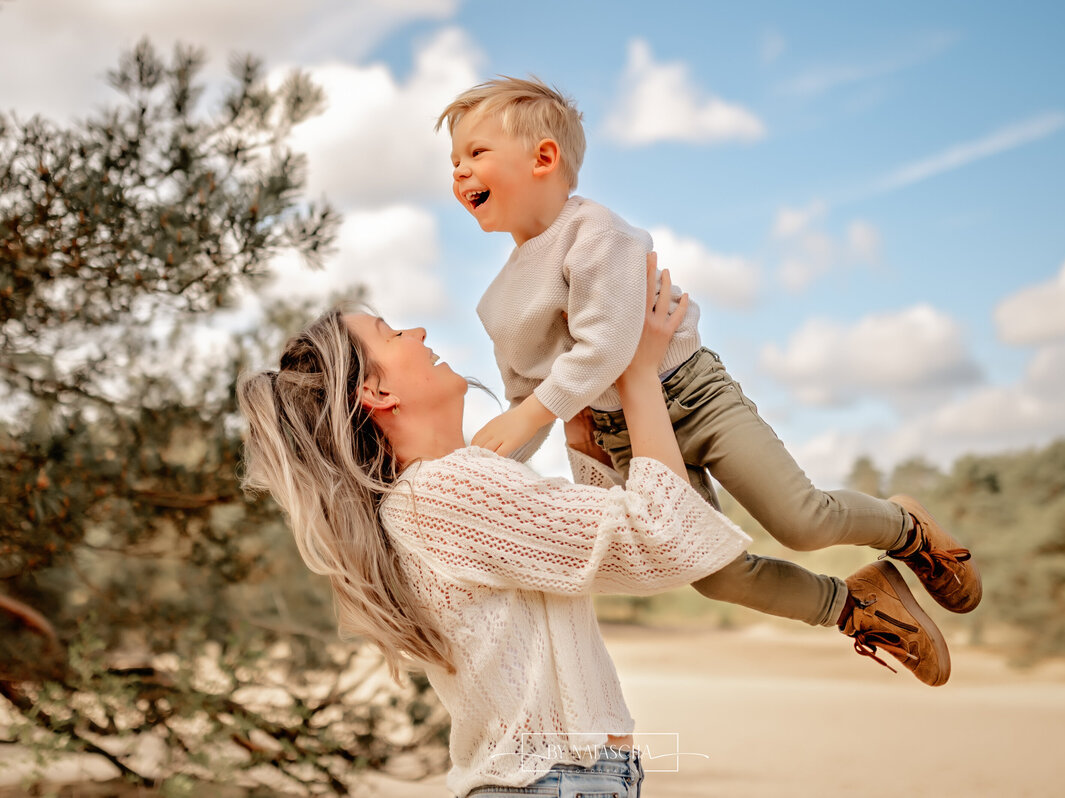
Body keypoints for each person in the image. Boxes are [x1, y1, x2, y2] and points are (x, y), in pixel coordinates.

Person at [237, 258, 953, 798]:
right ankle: (887, 556)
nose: (420, 331)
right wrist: (639, 375)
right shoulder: (447, 493)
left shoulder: (430, 498)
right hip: (557, 783)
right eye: (394, 333)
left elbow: (604, 547)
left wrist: (579, 420)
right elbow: (662, 541)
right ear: (377, 392)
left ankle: (862, 594)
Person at [436, 76, 981, 656]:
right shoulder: (496, 302)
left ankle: (905, 528)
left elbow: (611, 346)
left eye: (475, 153)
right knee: (710, 571)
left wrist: (531, 416)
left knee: (801, 521)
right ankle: (857, 606)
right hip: (625, 437)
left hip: (694, 397)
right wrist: (478, 475)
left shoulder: (596, 233)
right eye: (453, 161)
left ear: (543, 157)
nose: (459, 171)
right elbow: (529, 402)